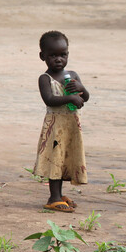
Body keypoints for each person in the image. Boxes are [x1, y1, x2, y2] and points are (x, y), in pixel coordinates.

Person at [33, 31, 89, 212]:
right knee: (55, 160)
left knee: (66, 158)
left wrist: (81, 89)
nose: (58, 59)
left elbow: (85, 98)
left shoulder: (73, 75)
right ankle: (53, 197)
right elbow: (49, 100)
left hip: (71, 126)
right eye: (53, 55)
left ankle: (60, 194)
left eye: (62, 55)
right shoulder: (45, 78)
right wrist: (70, 99)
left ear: (68, 55)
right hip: (55, 127)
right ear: (43, 56)